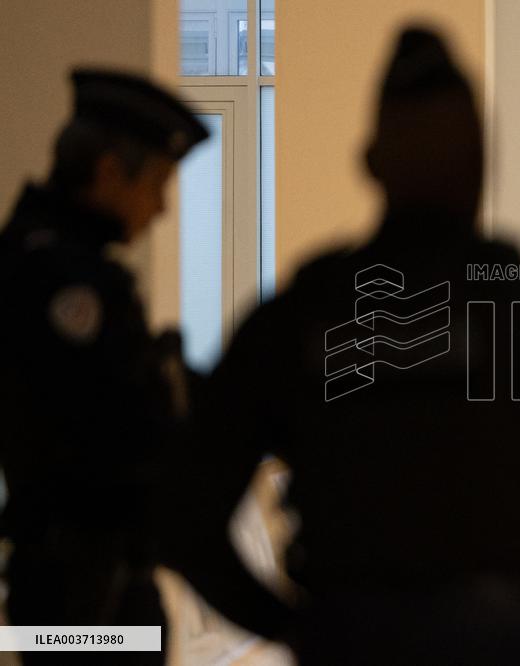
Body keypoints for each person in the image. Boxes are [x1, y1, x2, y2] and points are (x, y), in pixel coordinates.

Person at [167, 27, 520, 665]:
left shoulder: (296, 321)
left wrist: (294, 627)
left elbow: (186, 515)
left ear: (371, 161)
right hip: (513, 638)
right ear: (484, 163)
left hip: (350, 639)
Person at [0, 69, 208, 663]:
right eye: (158, 184)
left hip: (86, 577)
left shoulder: (52, 262)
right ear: (111, 173)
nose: (162, 209)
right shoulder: (61, 281)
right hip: (80, 587)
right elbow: (114, 428)